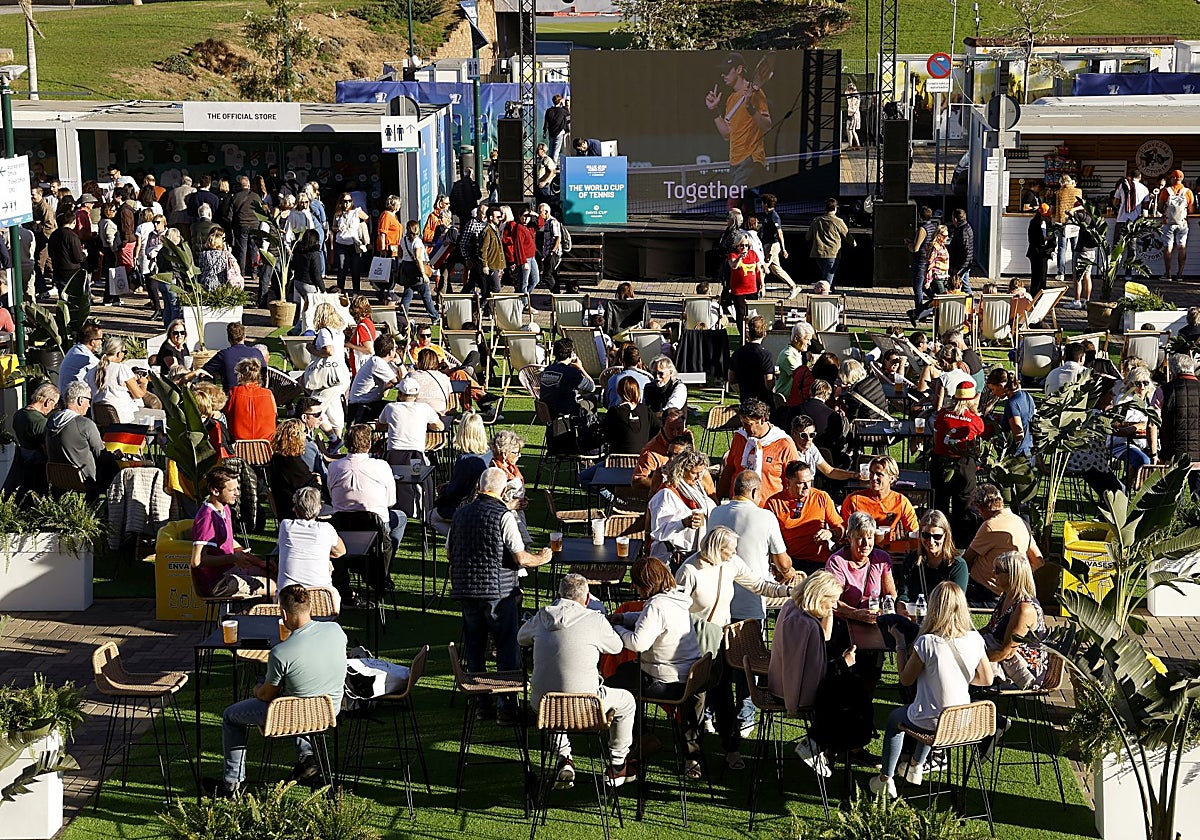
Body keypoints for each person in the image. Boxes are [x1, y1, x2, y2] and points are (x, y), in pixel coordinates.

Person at [211, 585, 347, 797]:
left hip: (290, 716)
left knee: (230, 716)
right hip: (329, 710)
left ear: (283, 613)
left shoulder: (281, 652)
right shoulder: (335, 630)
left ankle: (231, 784)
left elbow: (267, 695)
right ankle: (307, 756)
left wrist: (257, 689)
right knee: (300, 689)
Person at [675, 526, 795, 768]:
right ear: (716, 548)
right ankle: (692, 756)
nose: (733, 553)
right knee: (695, 700)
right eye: (729, 550)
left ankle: (731, 749)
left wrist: (788, 591)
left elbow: (760, 585)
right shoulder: (689, 570)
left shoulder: (731, 563)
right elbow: (675, 608)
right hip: (694, 643)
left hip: (721, 640)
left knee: (723, 698)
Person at [868, 581, 992, 798]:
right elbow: (986, 679)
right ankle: (916, 765)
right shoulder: (975, 639)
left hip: (935, 722)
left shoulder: (928, 642)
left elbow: (905, 679)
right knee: (926, 708)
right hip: (962, 723)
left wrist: (899, 643)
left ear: (934, 607)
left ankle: (885, 779)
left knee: (897, 718)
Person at [449, 467, 552, 724]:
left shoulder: (460, 514)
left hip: (467, 591)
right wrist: (542, 557)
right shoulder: (504, 515)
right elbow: (520, 557)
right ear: (503, 490)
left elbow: (450, 554)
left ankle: (481, 704)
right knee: (507, 647)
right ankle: (506, 708)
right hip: (499, 593)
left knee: (475, 647)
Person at [518, 573, 639, 788]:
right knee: (627, 701)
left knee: (556, 699)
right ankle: (618, 764)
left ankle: (564, 757)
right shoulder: (594, 619)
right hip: (586, 705)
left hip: (543, 705)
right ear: (586, 598)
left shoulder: (541, 616)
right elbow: (617, 647)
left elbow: (521, 637)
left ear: (559, 595)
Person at [770, 571, 873, 776]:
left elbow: (822, 642)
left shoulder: (794, 608)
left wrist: (829, 614)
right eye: (833, 601)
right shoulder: (801, 622)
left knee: (853, 685)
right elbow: (802, 670)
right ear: (819, 596)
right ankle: (820, 743)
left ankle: (824, 744)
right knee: (852, 694)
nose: (835, 606)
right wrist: (843, 663)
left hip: (789, 682)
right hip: (792, 689)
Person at [608, 556, 704, 776]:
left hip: (666, 681)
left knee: (615, 687)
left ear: (647, 584)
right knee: (626, 674)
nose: (634, 588)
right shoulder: (676, 598)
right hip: (689, 675)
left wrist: (617, 629)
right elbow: (648, 618)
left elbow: (637, 643)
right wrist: (624, 618)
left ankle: (638, 739)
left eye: (637, 583)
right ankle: (642, 737)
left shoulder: (656, 605)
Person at [327, 424, 408, 593]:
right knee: (400, 518)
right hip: (370, 526)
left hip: (344, 526)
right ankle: (383, 569)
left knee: (397, 518)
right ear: (369, 444)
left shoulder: (334, 467)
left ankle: (377, 567)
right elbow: (390, 501)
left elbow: (332, 495)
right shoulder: (381, 466)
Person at [189, 465, 269, 598]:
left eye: (237, 488)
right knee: (276, 587)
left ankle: (245, 615)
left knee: (272, 575)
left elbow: (229, 541)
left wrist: (259, 562)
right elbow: (197, 561)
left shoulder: (224, 507)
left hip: (229, 571)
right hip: (218, 583)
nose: (237, 493)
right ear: (215, 491)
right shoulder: (207, 518)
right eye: (232, 490)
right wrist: (233, 558)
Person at [705, 53, 772, 202]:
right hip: (735, 163)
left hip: (751, 160)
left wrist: (750, 108)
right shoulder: (731, 99)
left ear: (739, 69)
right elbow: (726, 134)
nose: (723, 75)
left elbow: (767, 125)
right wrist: (714, 111)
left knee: (733, 206)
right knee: (744, 211)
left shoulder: (756, 93)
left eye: (727, 70)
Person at [963, 484, 1043, 607]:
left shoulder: (990, 526)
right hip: (1010, 591)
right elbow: (1038, 561)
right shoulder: (1021, 523)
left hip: (984, 591)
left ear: (981, 508)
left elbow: (966, 561)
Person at [981, 551, 1048, 689]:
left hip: (1022, 670)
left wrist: (972, 659)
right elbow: (989, 628)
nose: (994, 574)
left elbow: (1007, 652)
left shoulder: (1025, 609)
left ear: (1013, 574)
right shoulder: (1006, 596)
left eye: (998, 570)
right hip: (1001, 655)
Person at [765, 461, 845, 573]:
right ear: (788, 482)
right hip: (790, 563)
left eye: (809, 481)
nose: (807, 486)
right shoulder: (774, 503)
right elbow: (767, 540)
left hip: (819, 561)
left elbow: (841, 529)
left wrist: (831, 533)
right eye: (801, 483)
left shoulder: (821, 497)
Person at [275, 487, 346, 612]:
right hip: (323, 598)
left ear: (295, 508)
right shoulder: (326, 529)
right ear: (319, 507)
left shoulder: (285, 526)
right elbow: (341, 551)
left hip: (287, 598)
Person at [930, 380, 984, 541]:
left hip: (940, 463)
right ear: (972, 399)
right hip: (964, 465)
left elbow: (936, 432)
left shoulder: (943, 414)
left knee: (940, 502)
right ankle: (961, 542)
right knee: (964, 505)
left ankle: (938, 537)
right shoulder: (975, 420)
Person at [718, 397, 798, 504]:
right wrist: (717, 496)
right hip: (738, 505)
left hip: (769, 507)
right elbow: (730, 468)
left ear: (762, 420)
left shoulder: (784, 444)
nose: (744, 427)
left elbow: (793, 480)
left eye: (748, 424)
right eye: (743, 423)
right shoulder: (740, 437)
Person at [840, 455, 919, 556]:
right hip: (861, 552)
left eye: (879, 474)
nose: (873, 478)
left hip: (892, 553)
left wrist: (903, 538)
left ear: (892, 478)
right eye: (871, 473)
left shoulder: (901, 502)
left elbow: (915, 533)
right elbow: (843, 531)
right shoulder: (854, 500)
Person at [648, 450, 716, 565]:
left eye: (700, 472)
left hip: (693, 555)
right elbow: (658, 531)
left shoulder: (696, 490)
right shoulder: (666, 495)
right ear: (681, 471)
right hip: (672, 559)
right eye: (694, 473)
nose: (698, 477)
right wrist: (683, 523)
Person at [431, 412, 491, 530]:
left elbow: (455, 491)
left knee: (431, 517)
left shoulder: (465, 461)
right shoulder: (489, 454)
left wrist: (443, 489)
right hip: (484, 503)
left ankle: (457, 539)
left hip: (465, 506)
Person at [897, 509, 970, 602]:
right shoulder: (911, 560)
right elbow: (903, 594)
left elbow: (956, 602)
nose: (931, 541)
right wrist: (902, 604)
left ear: (945, 536)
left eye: (937, 536)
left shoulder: (957, 565)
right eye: (926, 535)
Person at [307, 303, 352, 437]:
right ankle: (336, 439)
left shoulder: (324, 331)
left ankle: (333, 439)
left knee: (312, 407)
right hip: (341, 374)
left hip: (328, 376)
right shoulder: (338, 332)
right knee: (334, 408)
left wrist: (312, 350)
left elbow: (329, 350)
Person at [379, 375, 444, 465]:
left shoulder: (390, 407)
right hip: (416, 455)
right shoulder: (424, 408)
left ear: (399, 394)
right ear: (416, 395)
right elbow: (440, 426)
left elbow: (380, 426)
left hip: (393, 456)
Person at [269, 419, 321, 521]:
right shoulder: (292, 463)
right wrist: (318, 479)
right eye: (304, 431)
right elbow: (310, 486)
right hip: (297, 510)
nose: (306, 435)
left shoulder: (277, 458)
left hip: (284, 508)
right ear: (296, 437)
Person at [1108, 366, 1158, 470]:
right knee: (1143, 461)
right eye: (1138, 383)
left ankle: (1137, 483)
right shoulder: (1124, 399)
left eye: (1145, 383)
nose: (1142, 387)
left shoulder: (1149, 400)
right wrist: (1141, 424)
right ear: (1131, 384)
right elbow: (1122, 423)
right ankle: (1132, 485)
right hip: (1123, 442)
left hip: (1144, 443)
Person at [88, 337, 147, 424]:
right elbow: (138, 394)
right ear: (119, 353)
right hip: (124, 418)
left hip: (100, 418)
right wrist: (143, 384)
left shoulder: (93, 370)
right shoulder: (121, 369)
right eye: (124, 352)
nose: (124, 356)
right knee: (157, 416)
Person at [347, 333, 402, 424]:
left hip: (365, 404)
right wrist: (400, 364)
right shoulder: (378, 362)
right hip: (360, 408)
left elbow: (396, 382)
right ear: (390, 352)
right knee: (397, 409)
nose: (397, 349)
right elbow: (399, 383)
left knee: (394, 408)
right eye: (395, 347)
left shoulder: (378, 361)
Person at [789, 414, 857, 483]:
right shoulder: (789, 451)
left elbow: (829, 471)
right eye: (803, 435)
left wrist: (853, 475)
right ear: (793, 434)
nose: (808, 439)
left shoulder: (811, 447)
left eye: (812, 435)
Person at [540, 337, 597, 418]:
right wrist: (580, 367)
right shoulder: (571, 372)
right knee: (592, 399)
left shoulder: (547, 369)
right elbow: (592, 387)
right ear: (571, 353)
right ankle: (588, 428)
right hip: (565, 411)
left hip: (547, 411)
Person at [225, 358, 277, 442]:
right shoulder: (268, 394)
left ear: (240, 375)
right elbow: (275, 413)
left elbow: (226, 412)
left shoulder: (233, 393)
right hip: (266, 445)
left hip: (237, 443)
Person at [1163, 353, 1200, 467]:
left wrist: (1156, 453)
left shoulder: (1164, 390)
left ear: (1172, 371)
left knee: (1173, 484)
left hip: (1173, 454)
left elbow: (1153, 423)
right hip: (1198, 453)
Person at [728, 316, 775, 405]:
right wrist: (776, 378)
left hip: (745, 401)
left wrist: (742, 389)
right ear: (764, 334)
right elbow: (768, 384)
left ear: (748, 333)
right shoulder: (766, 356)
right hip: (763, 402)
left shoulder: (737, 353)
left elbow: (731, 379)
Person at [1157, 169, 1194, 282]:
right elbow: (1191, 210)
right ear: (1181, 179)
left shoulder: (1166, 191)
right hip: (1182, 223)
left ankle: (1168, 274)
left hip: (1168, 223)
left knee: (1168, 247)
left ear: (1173, 178)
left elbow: (1159, 207)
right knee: (1181, 247)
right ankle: (1179, 275)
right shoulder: (1188, 192)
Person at [202, 323, 262, 392]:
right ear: (244, 337)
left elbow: (204, 371)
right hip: (257, 395)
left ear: (228, 338)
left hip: (232, 398)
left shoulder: (223, 355)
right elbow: (265, 374)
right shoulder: (256, 352)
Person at [603, 376, 656, 455]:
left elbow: (606, 434)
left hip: (617, 459)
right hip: (642, 458)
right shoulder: (646, 410)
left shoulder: (614, 411)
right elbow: (657, 428)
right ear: (637, 391)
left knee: (593, 468)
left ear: (619, 392)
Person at [807, 198, 849, 289]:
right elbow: (847, 235)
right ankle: (825, 295)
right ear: (835, 208)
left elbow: (808, 237)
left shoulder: (816, 220)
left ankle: (831, 292)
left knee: (826, 275)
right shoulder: (838, 221)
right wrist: (854, 244)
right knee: (828, 277)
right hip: (832, 252)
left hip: (818, 252)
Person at [725, 233, 762, 332]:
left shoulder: (753, 254)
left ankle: (753, 334)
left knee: (753, 314)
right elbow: (733, 266)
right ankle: (743, 336)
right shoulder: (733, 254)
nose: (744, 247)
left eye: (746, 245)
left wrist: (762, 285)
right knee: (741, 314)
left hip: (752, 289)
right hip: (738, 290)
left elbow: (758, 270)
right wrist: (740, 257)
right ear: (737, 246)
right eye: (742, 245)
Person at [774, 322, 815, 410]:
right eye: (807, 339)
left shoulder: (796, 352)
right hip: (787, 402)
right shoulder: (788, 355)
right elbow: (802, 377)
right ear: (796, 339)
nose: (809, 343)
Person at [604, 344, 652, 409]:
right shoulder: (646, 380)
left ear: (622, 360)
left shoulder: (612, 379)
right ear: (639, 360)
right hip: (638, 415)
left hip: (614, 415)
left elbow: (607, 402)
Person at [644, 355, 686, 420]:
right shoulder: (649, 387)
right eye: (654, 374)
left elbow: (670, 411)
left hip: (672, 426)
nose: (657, 377)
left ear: (671, 372)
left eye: (661, 373)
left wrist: (648, 415)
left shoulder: (679, 388)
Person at [1026, 203, 1055, 298]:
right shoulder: (1034, 223)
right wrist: (1044, 239)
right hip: (1035, 251)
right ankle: (1034, 294)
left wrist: (1051, 248)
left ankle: (1042, 293)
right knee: (1035, 274)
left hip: (1045, 252)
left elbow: (1053, 237)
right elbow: (1032, 239)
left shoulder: (1048, 222)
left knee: (1043, 274)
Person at [536, 203, 565, 294]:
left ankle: (556, 294)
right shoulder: (547, 222)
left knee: (547, 275)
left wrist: (552, 252)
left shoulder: (553, 222)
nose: (539, 214)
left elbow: (558, 238)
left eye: (541, 212)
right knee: (553, 274)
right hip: (548, 252)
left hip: (553, 253)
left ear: (546, 212)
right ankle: (555, 295)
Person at [947, 208, 974, 293]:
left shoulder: (963, 231)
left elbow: (964, 251)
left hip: (962, 264)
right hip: (965, 263)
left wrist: (957, 267)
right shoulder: (965, 227)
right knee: (965, 285)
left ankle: (967, 301)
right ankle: (970, 301)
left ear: (955, 219)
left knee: (955, 285)